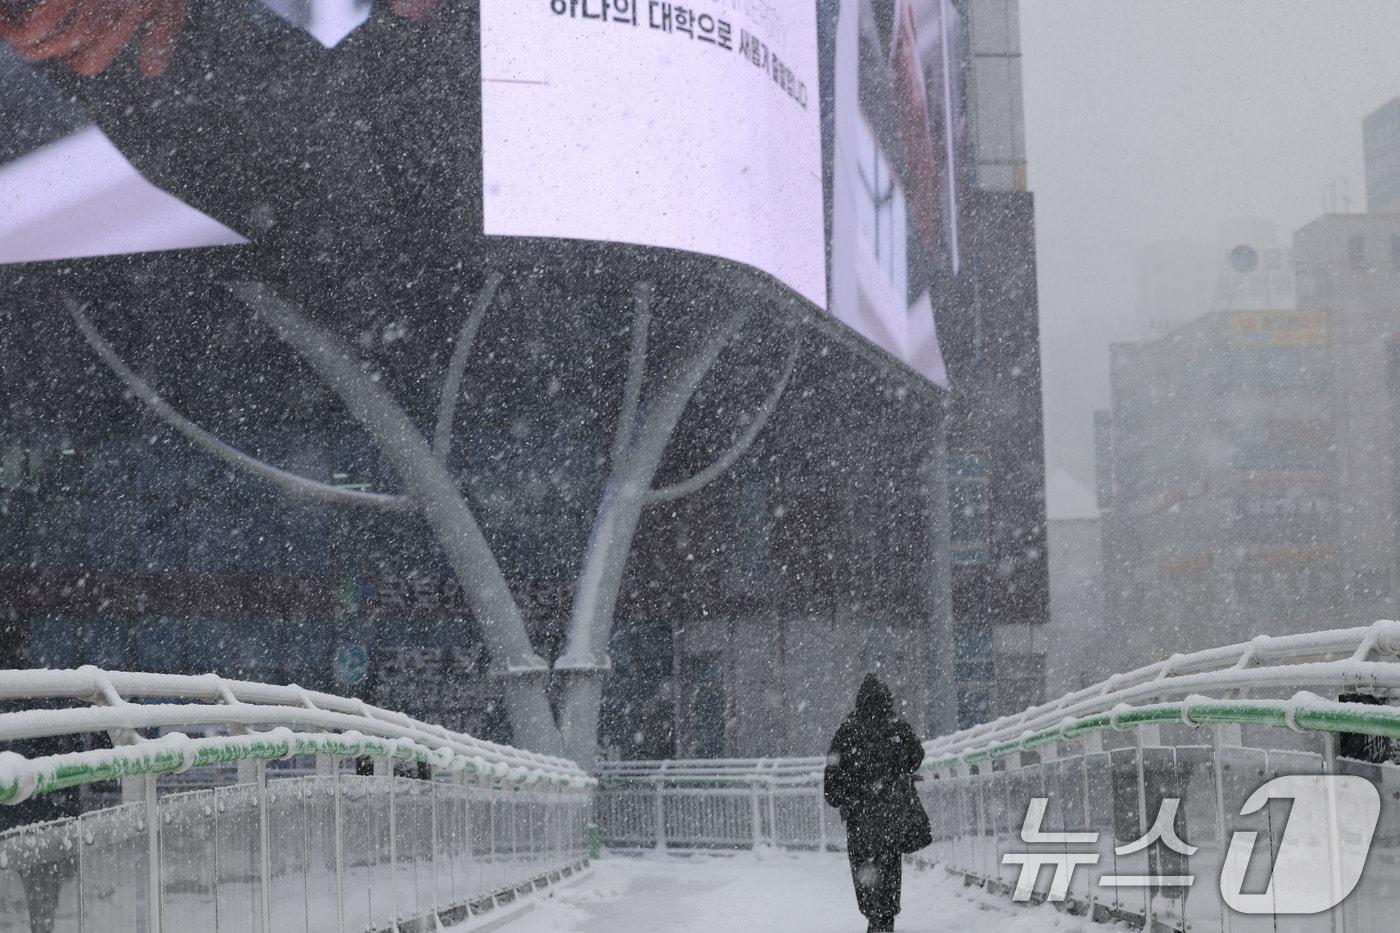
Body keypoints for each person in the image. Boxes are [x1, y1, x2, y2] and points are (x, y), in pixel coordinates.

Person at [825, 674, 926, 933]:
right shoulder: (896, 727)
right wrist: (895, 771)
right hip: (891, 813)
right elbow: (916, 755)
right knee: (889, 863)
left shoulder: (847, 732)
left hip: (859, 818)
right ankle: (886, 917)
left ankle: (873, 915)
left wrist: (851, 794)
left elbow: (832, 787)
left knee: (865, 868)